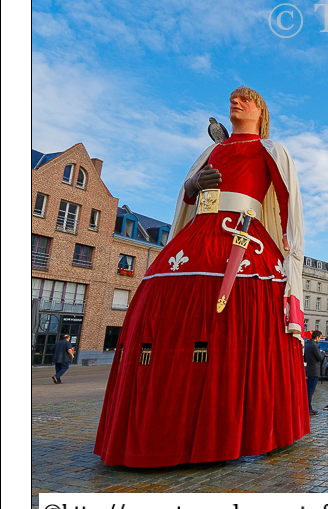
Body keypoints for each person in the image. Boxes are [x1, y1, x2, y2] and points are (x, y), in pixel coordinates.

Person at [95, 86, 309, 467]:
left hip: (245, 236)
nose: (235, 102)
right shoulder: (211, 152)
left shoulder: (271, 151)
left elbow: (287, 200)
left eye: (245, 99)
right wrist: (193, 185)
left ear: (260, 112)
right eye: (233, 99)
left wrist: (288, 251)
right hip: (199, 234)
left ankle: (254, 429)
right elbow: (188, 194)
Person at [304, 330, 325, 416]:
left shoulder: (308, 345)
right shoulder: (314, 346)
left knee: (308, 390)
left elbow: (305, 358)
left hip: (309, 370)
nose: (320, 339)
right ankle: (309, 409)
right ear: (316, 337)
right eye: (320, 338)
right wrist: (322, 353)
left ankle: (309, 408)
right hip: (314, 371)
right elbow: (319, 358)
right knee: (310, 391)